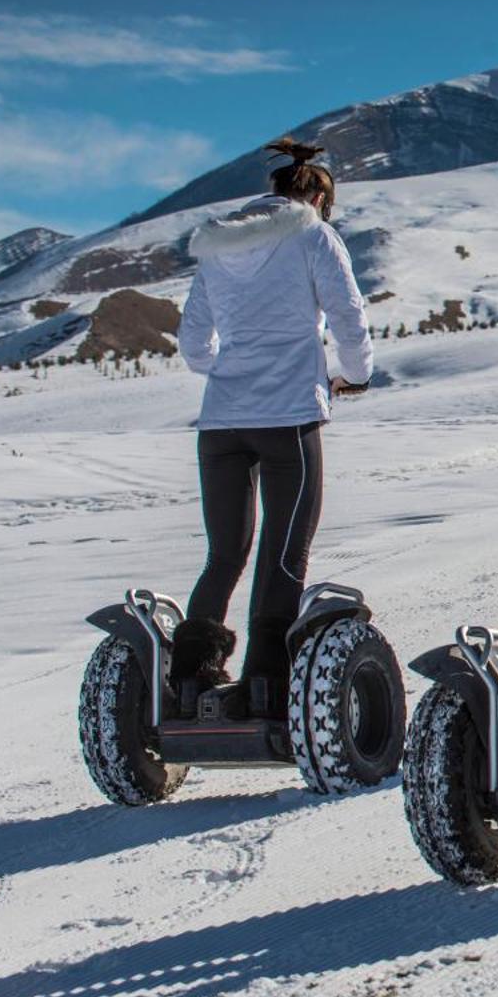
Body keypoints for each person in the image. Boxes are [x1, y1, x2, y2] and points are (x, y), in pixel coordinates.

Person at [173, 139, 374, 716]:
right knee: (285, 554)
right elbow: (348, 315)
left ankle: (188, 681)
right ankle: (266, 684)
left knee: (224, 554)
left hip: (221, 424)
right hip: (288, 418)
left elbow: (193, 344)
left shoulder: (218, 245)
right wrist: (354, 375)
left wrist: (234, 369)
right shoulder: (312, 234)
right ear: (313, 194)